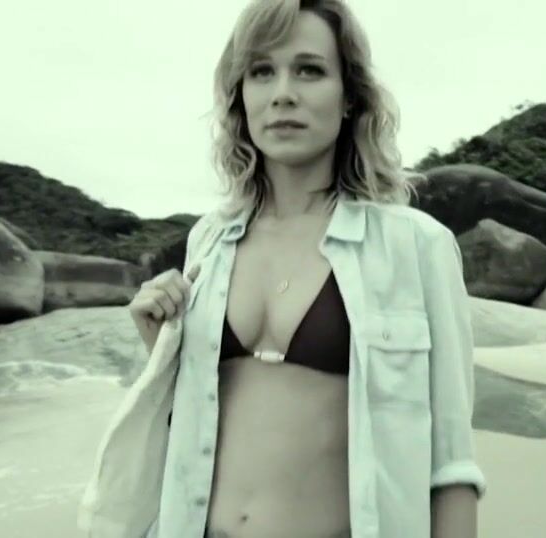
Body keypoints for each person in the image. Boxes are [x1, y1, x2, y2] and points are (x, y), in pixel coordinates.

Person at [114, 1, 486, 536]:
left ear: (349, 96)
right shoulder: (209, 241)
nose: (283, 93)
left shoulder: (415, 245)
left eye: (309, 70)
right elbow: (194, 428)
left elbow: (452, 464)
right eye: (262, 71)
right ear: (241, 95)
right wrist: (162, 349)